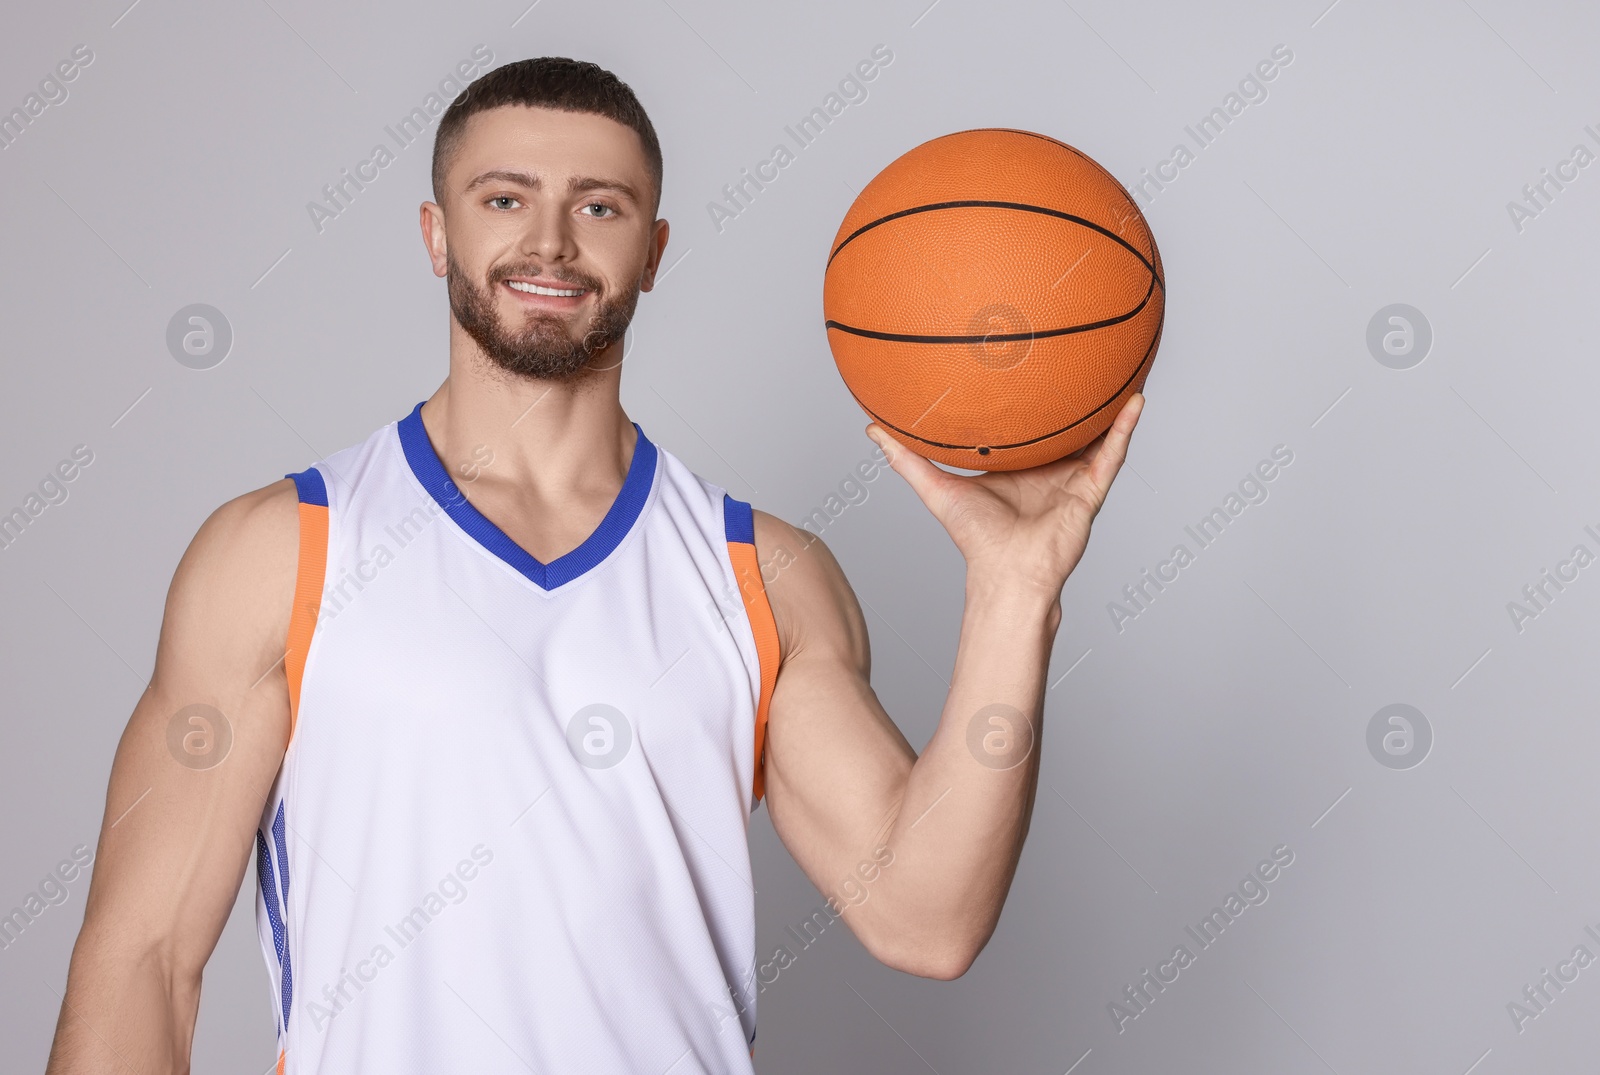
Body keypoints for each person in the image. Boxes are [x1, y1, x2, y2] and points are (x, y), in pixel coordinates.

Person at [45, 56, 1143, 1074]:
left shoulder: (764, 574)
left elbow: (926, 918)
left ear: (652, 251)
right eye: (505, 198)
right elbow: (140, 960)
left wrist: (1016, 589)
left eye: (599, 206)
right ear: (437, 234)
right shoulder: (281, 549)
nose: (552, 242)